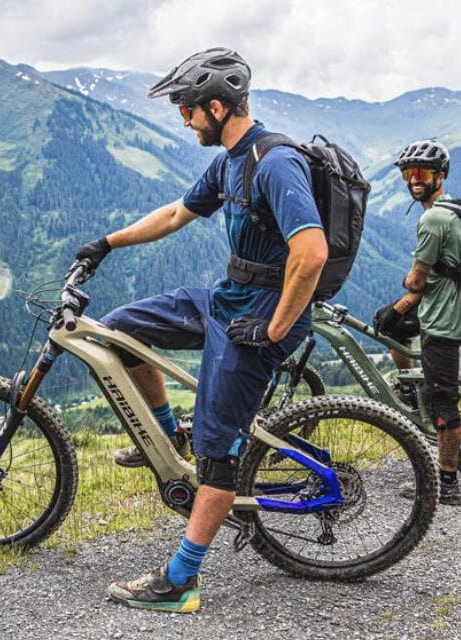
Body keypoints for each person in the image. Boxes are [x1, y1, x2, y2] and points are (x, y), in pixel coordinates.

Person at [72, 47, 328, 613]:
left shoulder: (273, 160)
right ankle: (168, 436)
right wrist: (106, 244)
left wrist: (274, 327)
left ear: (216, 106)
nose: (184, 120)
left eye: (187, 110)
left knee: (219, 454)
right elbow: (174, 214)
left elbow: (310, 253)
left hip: (261, 313)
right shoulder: (230, 160)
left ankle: (181, 580)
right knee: (118, 331)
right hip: (228, 297)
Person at [374, 139, 461, 506]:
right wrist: (400, 308)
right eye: (408, 173)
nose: (414, 180)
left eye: (421, 173)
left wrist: (406, 293)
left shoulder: (434, 218)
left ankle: (446, 484)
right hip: (440, 306)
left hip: (444, 319)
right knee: (387, 324)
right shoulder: (450, 209)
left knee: (444, 404)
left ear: (440, 175)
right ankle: (409, 388)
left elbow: (416, 281)